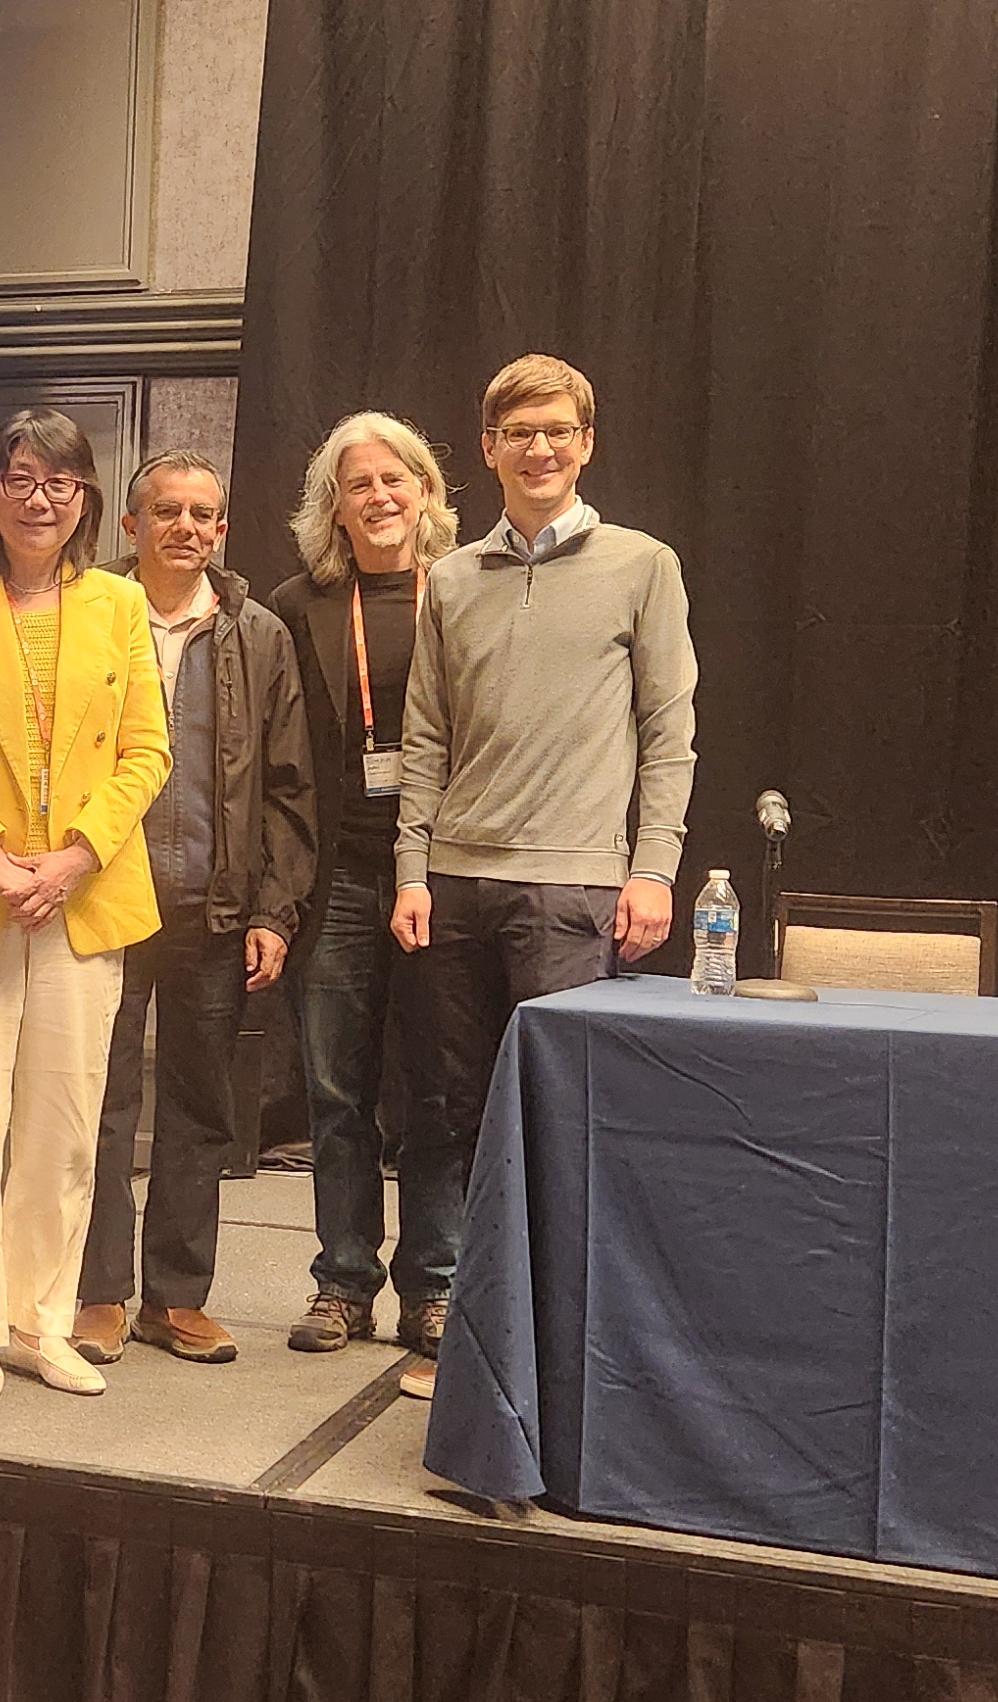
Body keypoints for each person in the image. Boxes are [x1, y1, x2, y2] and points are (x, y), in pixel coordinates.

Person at [388, 355, 697, 1400]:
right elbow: (422, 738)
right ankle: (487, 1348)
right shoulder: (453, 580)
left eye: (558, 430)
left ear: (586, 443)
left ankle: (565, 1355)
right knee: (465, 1122)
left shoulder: (641, 565)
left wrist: (652, 868)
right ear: (487, 449)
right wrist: (411, 868)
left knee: (564, 1122)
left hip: (573, 890)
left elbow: (669, 731)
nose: (540, 447)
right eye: (518, 431)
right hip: (458, 888)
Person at [0, 408, 170, 1401]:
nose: (38, 498)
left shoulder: (120, 608)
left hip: (83, 897)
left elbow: (148, 751)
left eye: (58, 482)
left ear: (86, 498)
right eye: (18, 479)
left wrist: (73, 859)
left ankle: (41, 1320)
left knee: (62, 1120)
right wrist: (0, 860)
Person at [76, 451, 312, 1366]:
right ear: (129, 527)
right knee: (97, 1104)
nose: (187, 527)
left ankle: (174, 1298)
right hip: (103, 900)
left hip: (217, 912)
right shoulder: (91, 616)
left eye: (204, 513)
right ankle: (98, 1293)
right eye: (166, 511)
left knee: (199, 1109)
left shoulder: (259, 634)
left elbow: (291, 788)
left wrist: (272, 911)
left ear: (222, 529)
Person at [266, 412, 463, 1359]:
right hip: (341, 877)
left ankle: (435, 1286)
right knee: (337, 1091)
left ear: (425, 492)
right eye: (359, 485)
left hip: (444, 875)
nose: (380, 498)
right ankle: (343, 1282)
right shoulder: (297, 605)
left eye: (396, 480)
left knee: (434, 1091)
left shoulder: (467, 594)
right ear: (332, 507)